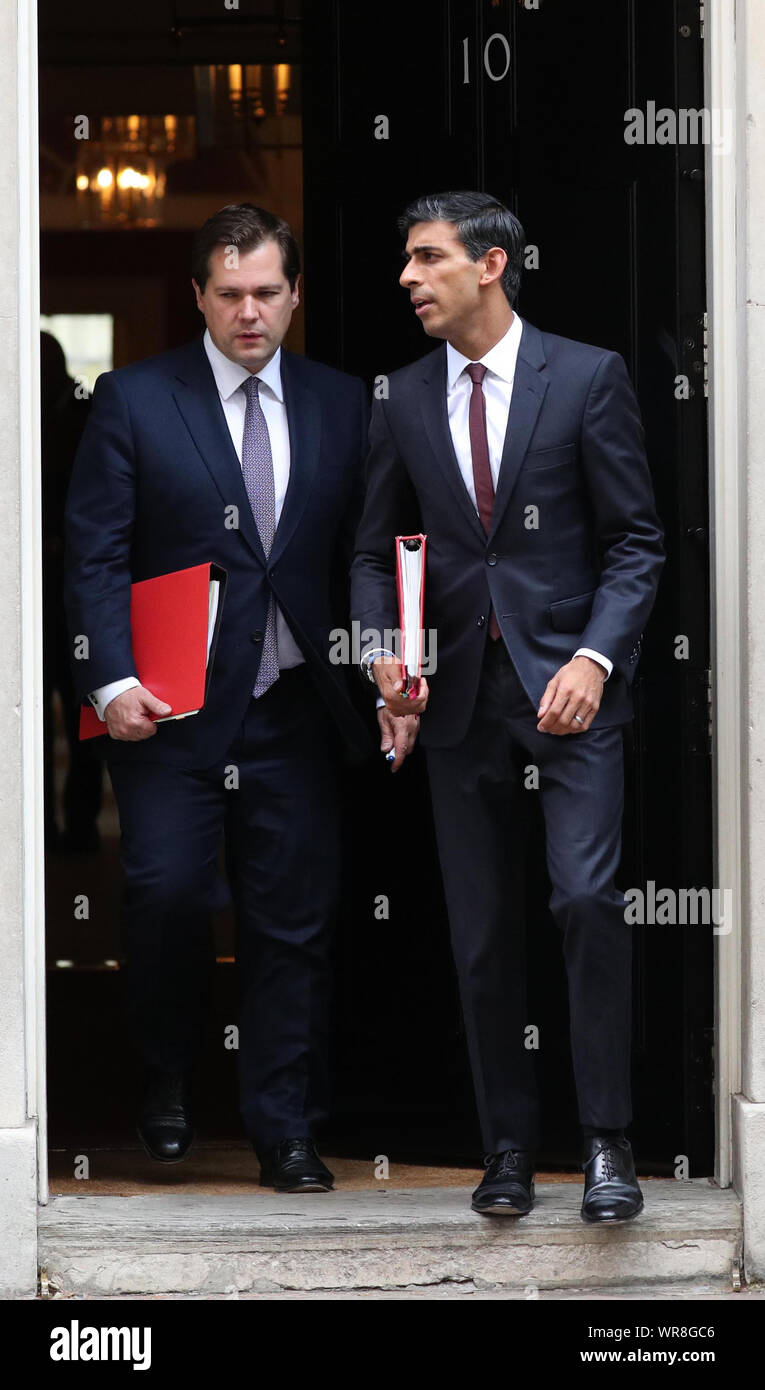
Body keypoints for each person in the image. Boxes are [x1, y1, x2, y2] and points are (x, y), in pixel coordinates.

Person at [351, 191, 665, 1222]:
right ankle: (508, 1151)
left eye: (426, 258)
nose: (408, 277)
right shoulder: (397, 394)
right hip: (457, 701)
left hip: (571, 692)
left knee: (583, 901)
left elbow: (635, 542)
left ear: (490, 266)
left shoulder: (586, 376)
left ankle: (611, 1145)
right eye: (407, 259)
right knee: (483, 932)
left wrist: (596, 657)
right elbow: (371, 551)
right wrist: (386, 659)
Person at [65, 203, 372, 1192]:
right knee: (164, 894)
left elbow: (364, 552)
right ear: (199, 294)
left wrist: (391, 666)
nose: (250, 312)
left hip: (296, 707)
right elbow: (95, 549)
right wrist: (108, 678)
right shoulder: (135, 398)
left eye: (268, 292)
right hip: (171, 711)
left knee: (293, 922)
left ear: (293, 295)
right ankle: (162, 1068)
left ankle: (285, 1129)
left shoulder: (341, 403)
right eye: (230, 293)